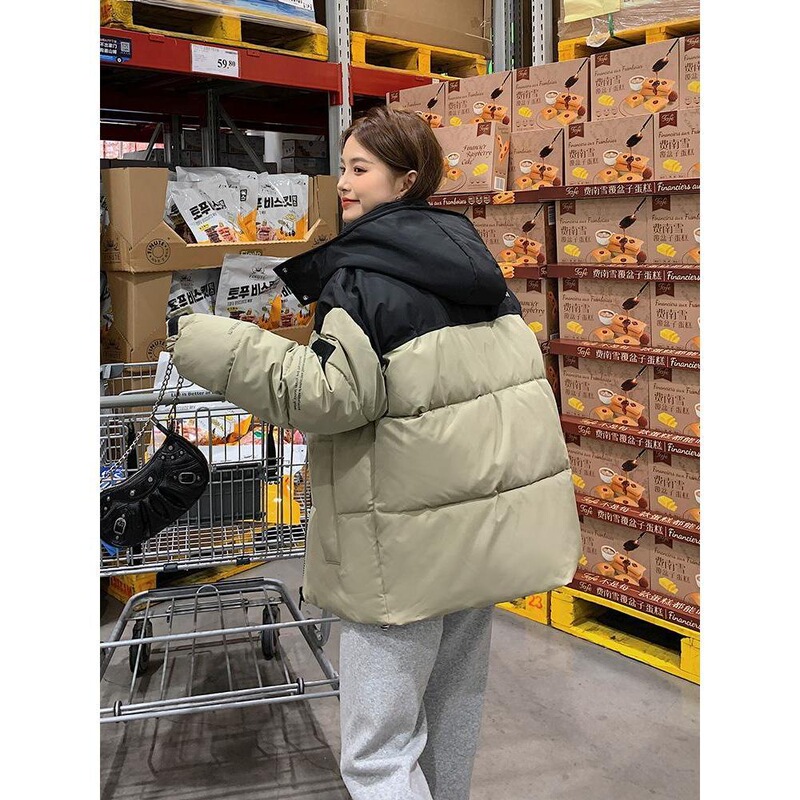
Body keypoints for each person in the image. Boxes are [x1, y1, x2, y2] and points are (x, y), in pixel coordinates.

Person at [169, 106, 581, 799]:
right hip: (478, 535)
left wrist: (211, 341)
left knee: (377, 753)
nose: (344, 184)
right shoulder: (474, 265)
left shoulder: (363, 279)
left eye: (360, 169)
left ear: (406, 180)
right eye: (344, 168)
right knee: (450, 711)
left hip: (400, 547)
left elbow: (330, 397)